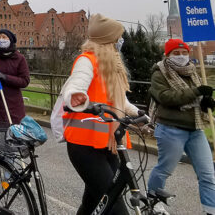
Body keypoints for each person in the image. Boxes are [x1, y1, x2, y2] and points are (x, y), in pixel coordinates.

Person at [61, 14, 139, 215]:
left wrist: (139, 114)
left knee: (93, 201)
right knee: (115, 206)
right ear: (108, 40)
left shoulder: (112, 66)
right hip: (85, 145)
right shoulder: (86, 61)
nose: (119, 43)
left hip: (108, 142)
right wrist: (78, 99)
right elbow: (75, 87)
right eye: (117, 39)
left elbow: (119, 100)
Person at [147, 38, 215, 214]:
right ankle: (153, 201)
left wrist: (206, 102)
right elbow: (167, 97)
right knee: (164, 170)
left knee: (207, 174)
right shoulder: (160, 73)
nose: (181, 56)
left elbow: (196, 99)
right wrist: (197, 92)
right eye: (176, 53)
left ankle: (211, 209)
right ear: (167, 55)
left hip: (195, 129)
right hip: (171, 128)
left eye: (184, 52)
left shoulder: (194, 72)